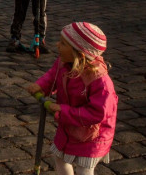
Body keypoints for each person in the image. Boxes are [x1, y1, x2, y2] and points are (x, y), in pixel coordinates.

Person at [27, 22, 117, 175]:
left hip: (92, 135)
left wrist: (63, 110)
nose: (57, 45)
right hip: (69, 126)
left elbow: (98, 113)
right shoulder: (63, 62)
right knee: (59, 157)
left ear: (79, 54)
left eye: (63, 43)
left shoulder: (100, 81)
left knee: (84, 168)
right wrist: (41, 86)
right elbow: (52, 76)